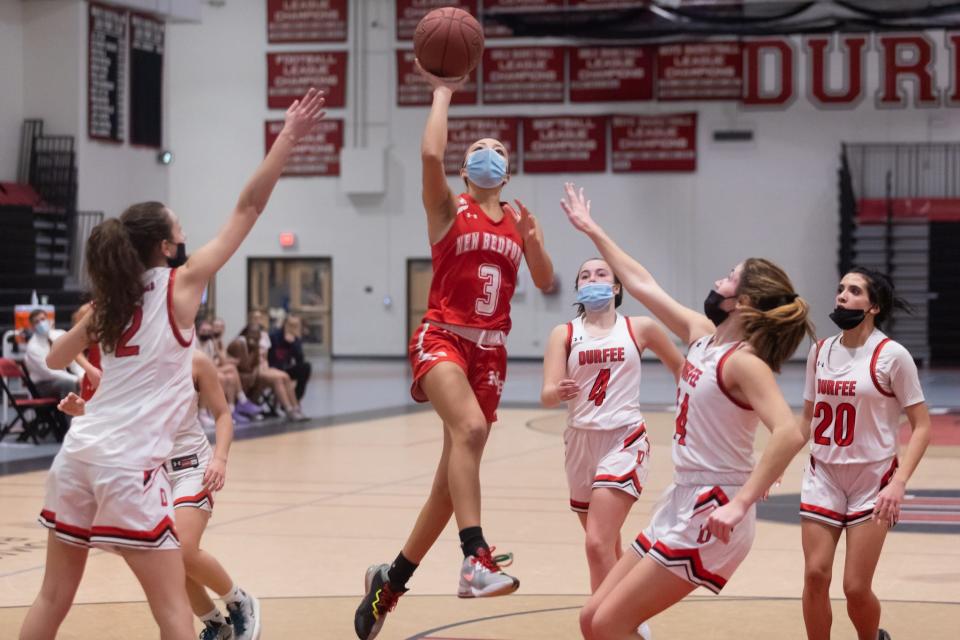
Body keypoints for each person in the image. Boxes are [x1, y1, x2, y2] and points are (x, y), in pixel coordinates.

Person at [19, 87, 326, 640]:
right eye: (179, 226)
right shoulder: (179, 288)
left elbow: (50, 356)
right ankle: (234, 606)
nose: (187, 231)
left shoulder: (107, 304)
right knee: (171, 615)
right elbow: (248, 208)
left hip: (77, 456)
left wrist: (86, 380)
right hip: (130, 467)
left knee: (50, 599)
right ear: (164, 246)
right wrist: (288, 138)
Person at [353, 60, 554, 640]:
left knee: (449, 483)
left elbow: (542, 281)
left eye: (498, 149)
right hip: (442, 336)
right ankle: (475, 558)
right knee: (468, 432)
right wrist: (442, 94)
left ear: (507, 172)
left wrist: (537, 242)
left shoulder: (517, 224)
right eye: (479, 147)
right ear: (467, 168)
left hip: (491, 354)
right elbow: (426, 158)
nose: (489, 152)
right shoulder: (447, 208)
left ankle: (388, 583)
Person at [560, 183, 814, 640]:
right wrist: (593, 230)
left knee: (609, 623)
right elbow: (641, 283)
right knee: (591, 620)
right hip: (682, 500)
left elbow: (789, 433)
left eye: (731, 276)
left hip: (715, 510)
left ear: (745, 302)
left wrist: (742, 502)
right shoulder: (703, 336)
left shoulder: (744, 362)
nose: (721, 278)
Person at [59, 349, 260, 640]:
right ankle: (216, 625)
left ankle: (240, 601)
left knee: (183, 549)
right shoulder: (129, 362)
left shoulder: (196, 360)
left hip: (192, 465)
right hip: (153, 472)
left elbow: (223, 415)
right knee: (167, 561)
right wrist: (85, 410)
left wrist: (220, 458)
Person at [542, 258, 683, 611]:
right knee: (608, 545)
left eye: (601, 274)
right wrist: (558, 391)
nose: (593, 279)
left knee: (596, 544)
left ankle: (606, 622)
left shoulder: (640, 328)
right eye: (585, 275)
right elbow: (546, 395)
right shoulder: (565, 333)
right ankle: (627, 620)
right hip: (579, 442)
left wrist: (691, 413)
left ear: (616, 287)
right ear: (578, 288)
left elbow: (683, 370)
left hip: (624, 439)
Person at [799, 268, 930, 640]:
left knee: (855, 587)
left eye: (854, 291)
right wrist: (770, 465)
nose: (842, 295)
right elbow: (806, 419)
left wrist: (899, 483)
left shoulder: (893, 356)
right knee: (814, 574)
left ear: (873, 306)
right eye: (840, 288)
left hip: (873, 480)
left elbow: (922, 426)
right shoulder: (820, 351)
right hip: (823, 473)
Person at [23, 309, 92, 401]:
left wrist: (82, 376)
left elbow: (74, 358)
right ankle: (71, 415)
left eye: (43, 319)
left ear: (48, 320)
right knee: (68, 383)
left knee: (88, 379)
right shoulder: (32, 347)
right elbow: (49, 372)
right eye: (37, 322)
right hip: (45, 384)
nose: (41, 323)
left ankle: (91, 413)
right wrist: (75, 379)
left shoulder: (60, 334)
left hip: (67, 375)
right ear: (32, 327)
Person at [268, 315, 311, 402]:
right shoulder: (274, 336)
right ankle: (288, 401)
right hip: (273, 367)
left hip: (286, 368)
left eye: (296, 326)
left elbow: (300, 360)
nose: (293, 328)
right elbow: (270, 356)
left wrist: (293, 343)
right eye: (290, 325)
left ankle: (296, 398)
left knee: (306, 367)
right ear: (285, 324)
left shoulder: (295, 338)